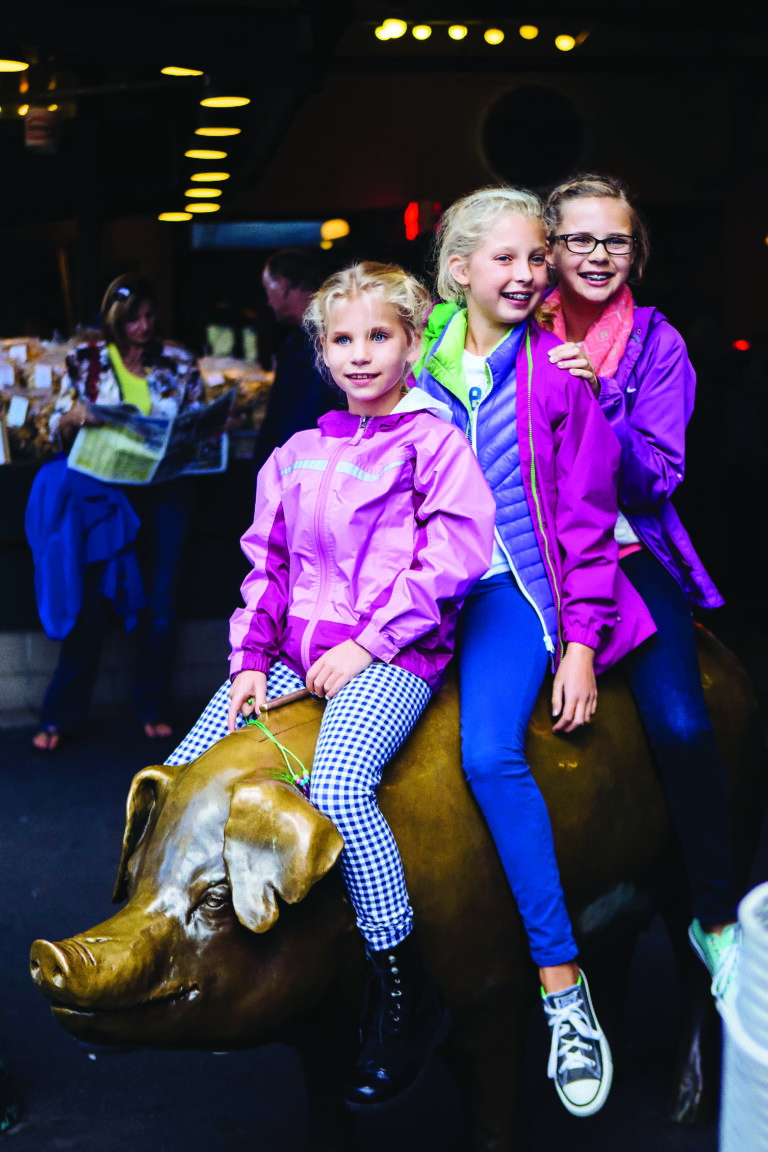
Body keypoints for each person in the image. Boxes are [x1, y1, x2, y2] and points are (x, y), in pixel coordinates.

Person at [166, 262, 497, 1110]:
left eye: (378, 336)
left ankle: (401, 985)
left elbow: (452, 561)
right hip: (289, 652)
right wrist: (247, 662)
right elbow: (265, 570)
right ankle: (178, 934)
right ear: (319, 350)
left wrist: (371, 645)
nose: (360, 355)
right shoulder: (298, 452)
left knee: (342, 784)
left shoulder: (435, 443)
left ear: (413, 342)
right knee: (183, 769)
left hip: (393, 653)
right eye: (342, 339)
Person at [412, 186, 656, 1118]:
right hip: (419, 597)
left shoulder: (558, 374)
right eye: (504, 259)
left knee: (486, 754)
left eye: (534, 258)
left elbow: (592, 522)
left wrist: (584, 643)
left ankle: (562, 988)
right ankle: (391, 982)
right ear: (460, 269)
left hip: (513, 597)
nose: (524, 274)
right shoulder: (413, 350)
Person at [543, 173, 742, 1015]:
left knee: (685, 723)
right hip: (523, 553)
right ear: (548, 247)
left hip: (626, 550)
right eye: (579, 239)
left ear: (638, 252)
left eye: (615, 240)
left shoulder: (659, 345)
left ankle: (714, 917)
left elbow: (657, 476)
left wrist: (587, 396)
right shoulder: (509, 324)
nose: (597, 254)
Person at [29, 273, 205, 751]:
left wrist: (207, 428)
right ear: (115, 320)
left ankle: (153, 707)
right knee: (89, 601)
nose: (145, 328)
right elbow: (54, 432)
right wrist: (72, 419)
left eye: (151, 318)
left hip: (167, 489)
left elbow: (199, 422)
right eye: (134, 321)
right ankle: (61, 715)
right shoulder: (85, 362)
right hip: (104, 496)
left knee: (162, 602)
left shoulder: (180, 360)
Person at [254, 247, 340, 470]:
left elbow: (298, 421)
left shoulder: (313, 343)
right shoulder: (303, 337)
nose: (268, 302)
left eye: (267, 290)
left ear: (282, 285)